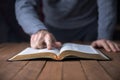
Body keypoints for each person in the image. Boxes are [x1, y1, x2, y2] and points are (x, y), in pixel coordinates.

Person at [15, 0, 120, 52]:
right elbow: (24, 5)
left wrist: (104, 36)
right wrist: (37, 30)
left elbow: (107, 3)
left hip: (91, 29)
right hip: (51, 31)